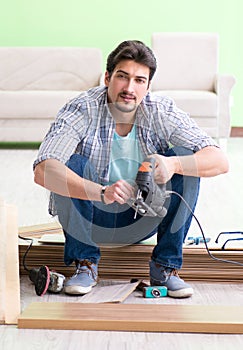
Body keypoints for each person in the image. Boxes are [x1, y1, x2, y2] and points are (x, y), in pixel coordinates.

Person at [33, 40, 229, 298]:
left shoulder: (161, 111)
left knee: (184, 158)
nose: (129, 88)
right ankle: (85, 264)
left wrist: (173, 164)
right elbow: (43, 170)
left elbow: (219, 160)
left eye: (139, 80)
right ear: (107, 77)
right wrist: (102, 192)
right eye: (122, 77)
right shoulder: (82, 109)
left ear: (148, 86)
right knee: (72, 164)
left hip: (143, 215)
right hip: (92, 217)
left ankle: (165, 267)